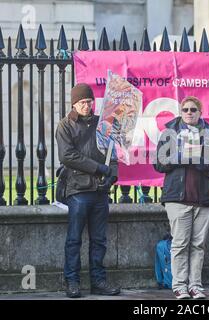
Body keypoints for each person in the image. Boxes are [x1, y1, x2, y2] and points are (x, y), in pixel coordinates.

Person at [154, 96, 209, 299]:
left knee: (197, 245)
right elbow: (158, 164)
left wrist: (198, 160)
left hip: (203, 200)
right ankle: (179, 286)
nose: (189, 113)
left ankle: (195, 285)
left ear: (200, 112)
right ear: (181, 111)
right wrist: (180, 157)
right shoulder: (170, 132)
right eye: (185, 109)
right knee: (180, 243)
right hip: (177, 198)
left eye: (193, 109)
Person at [56, 83, 121, 298]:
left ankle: (98, 281)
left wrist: (111, 174)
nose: (86, 105)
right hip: (78, 190)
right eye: (82, 102)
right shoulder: (65, 125)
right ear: (74, 103)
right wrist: (98, 168)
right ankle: (72, 282)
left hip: (100, 190)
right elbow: (68, 156)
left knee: (99, 240)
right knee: (74, 239)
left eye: (89, 101)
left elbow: (112, 150)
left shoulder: (102, 124)